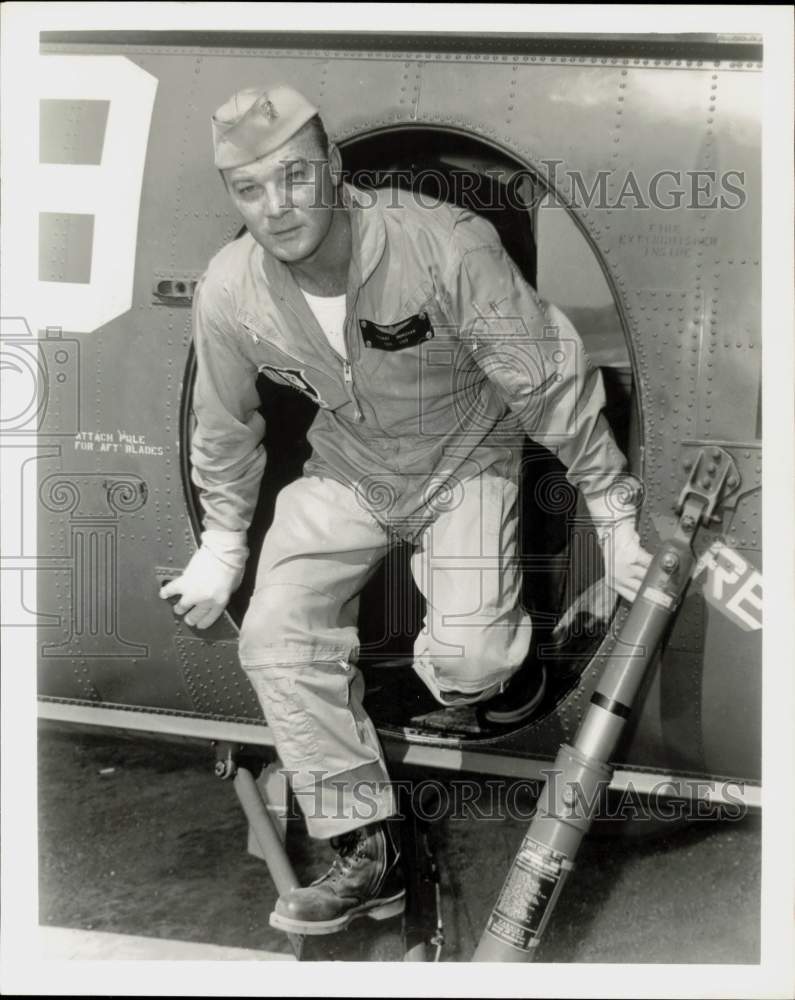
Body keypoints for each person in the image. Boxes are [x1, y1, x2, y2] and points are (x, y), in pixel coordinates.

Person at [159, 84, 652, 936]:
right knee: (276, 635)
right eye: (250, 190)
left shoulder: (439, 244)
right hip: (350, 466)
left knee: (467, 661)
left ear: (334, 167)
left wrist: (611, 506)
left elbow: (544, 379)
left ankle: (515, 674)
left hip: (466, 457)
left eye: (295, 176)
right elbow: (223, 425)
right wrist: (227, 540)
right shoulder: (230, 289)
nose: (277, 208)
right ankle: (368, 844)